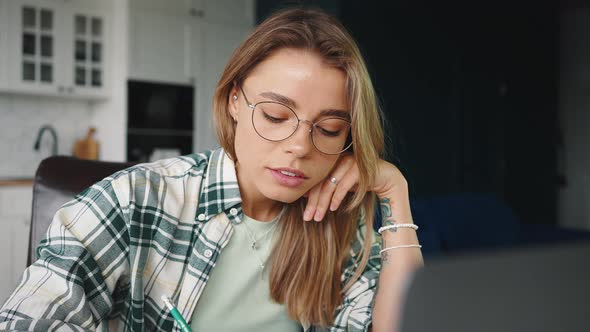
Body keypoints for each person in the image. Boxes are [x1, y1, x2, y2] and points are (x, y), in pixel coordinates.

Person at [0, 7, 423, 332]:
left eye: (329, 129)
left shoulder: (340, 227)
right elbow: (27, 322)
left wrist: (394, 191)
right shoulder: (135, 202)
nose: (298, 148)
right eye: (276, 116)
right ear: (235, 100)